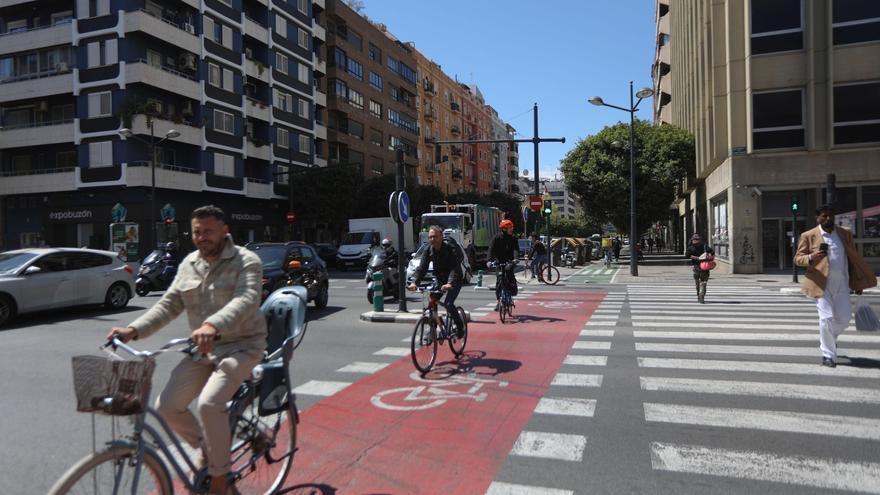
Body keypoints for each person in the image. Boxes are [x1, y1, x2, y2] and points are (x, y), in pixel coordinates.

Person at [107, 205, 266, 495]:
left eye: (208, 231)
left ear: (224, 231)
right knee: (167, 406)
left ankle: (220, 477)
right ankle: (210, 449)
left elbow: (247, 299)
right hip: (202, 351)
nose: (201, 237)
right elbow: (168, 305)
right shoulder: (189, 264)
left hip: (242, 346)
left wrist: (212, 325)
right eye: (196, 232)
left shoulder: (247, 261)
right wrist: (134, 330)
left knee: (209, 404)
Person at [795, 204, 877, 368]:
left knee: (845, 318)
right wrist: (811, 257)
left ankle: (830, 340)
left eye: (830, 215)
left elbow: (853, 259)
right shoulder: (808, 235)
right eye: (824, 216)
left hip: (842, 284)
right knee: (826, 319)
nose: (828, 218)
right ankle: (828, 355)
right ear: (817, 218)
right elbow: (798, 258)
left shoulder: (844, 234)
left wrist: (858, 281)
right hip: (821, 284)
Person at [408, 225, 465, 338]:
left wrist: (449, 283)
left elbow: (455, 268)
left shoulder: (449, 248)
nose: (432, 239)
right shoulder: (428, 249)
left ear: (441, 237)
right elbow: (422, 268)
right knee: (432, 302)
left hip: (455, 280)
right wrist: (415, 282)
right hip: (440, 279)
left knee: (448, 304)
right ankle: (433, 330)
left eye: (435, 237)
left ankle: (460, 328)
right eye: (430, 237)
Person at [488, 219, 519, 306]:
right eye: (510, 227)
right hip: (499, 262)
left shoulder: (513, 238)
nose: (512, 229)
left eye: (512, 227)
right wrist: (489, 260)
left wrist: (515, 259)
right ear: (504, 229)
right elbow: (491, 249)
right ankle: (499, 300)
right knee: (499, 280)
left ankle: (512, 288)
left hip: (510, 261)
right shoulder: (497, 238)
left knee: (510, 274)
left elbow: (516, 250)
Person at [686, 233, 714, 303]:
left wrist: (695, 258)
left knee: (698, 282)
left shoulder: (691, 248)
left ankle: (700, 295)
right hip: (705, 267)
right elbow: (712, 252)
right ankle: (701, 295)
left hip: (697, 267)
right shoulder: (704, 246)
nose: (695, 241)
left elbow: (687, 255)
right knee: (703, 282)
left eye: (696, 240)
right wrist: (707, 256)